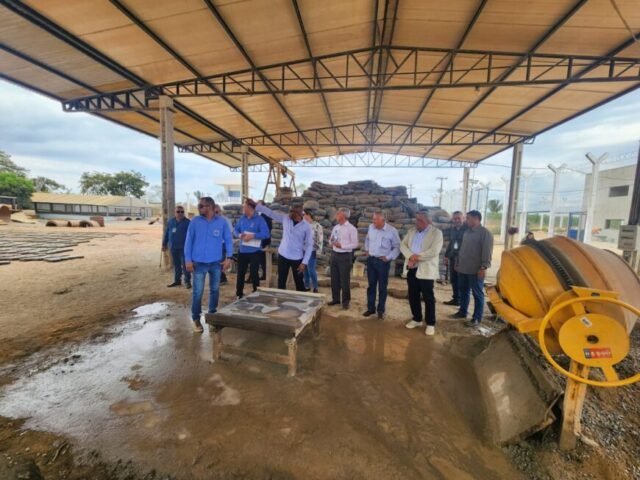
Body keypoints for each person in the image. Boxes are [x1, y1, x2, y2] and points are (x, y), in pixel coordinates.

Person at [185, 197, 233, 333]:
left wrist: (229, 257)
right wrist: (188, 260)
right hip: (199, 263)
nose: (199, 207)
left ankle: (212, 316)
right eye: (199, 205)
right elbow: (188, 241)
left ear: (211, 207)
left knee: (215, 290)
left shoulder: (221, 222)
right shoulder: (195, 222)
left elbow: (228, 240)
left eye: (202, 206)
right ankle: (196, 319)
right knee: (198, 292)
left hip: (216, 263)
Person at [255, 201, 313, 291]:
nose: (290, 215)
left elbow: (309, 245)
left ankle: (301, 298)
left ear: (299, 214)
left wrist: (304, 262)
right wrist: (257, 206)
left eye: (293, 213)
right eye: (290, 212)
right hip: (283, 255)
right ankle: (280, 299)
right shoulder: (286, 218)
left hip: (297, 258)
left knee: (299, 283)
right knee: (281, 282)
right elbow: (271, 213)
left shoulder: (307, 226)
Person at [402, 212, 443, 336]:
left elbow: (434, 251)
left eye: (420, 220)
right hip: (412, 268)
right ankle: (417, 319)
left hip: (426, 269)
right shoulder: (411, 231)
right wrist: (410, 256)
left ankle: (430, 323)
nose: (417, 222)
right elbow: (403, 245)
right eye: (417, 219)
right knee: (413, 295)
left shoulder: (436, 233)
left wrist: (417, 257)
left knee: (428, 297)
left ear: (428, 222)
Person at [452, 210, 493, 327]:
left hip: (475, 270)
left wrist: (483, 267)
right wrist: (457, 263)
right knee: (464, 291)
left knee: (477, 294)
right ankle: (462, 312)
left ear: (476, 218)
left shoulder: (485, 233)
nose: (466, 220)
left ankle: (476, 318)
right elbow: (462, 249)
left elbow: (487, 252)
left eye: (468, 218)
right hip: (463, 268)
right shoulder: (467, 232)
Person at [362, 211, 401, 320]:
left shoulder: (392, 231)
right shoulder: (371, 227)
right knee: (371, 286)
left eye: (376, 220)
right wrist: (367, 249)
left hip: (382, 262)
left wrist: (388, 257)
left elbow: (397, 247)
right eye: (373, 219)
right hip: (371, 260)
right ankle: (371, 308)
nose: (373, 221)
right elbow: (367, 239)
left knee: (382, 287)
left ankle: (380, 310)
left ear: (383, 220)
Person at [233, 199, 269, 298]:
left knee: (254, 273)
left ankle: (256, 292)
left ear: (250, 208)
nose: (242, 208)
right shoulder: (242, 219)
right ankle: (239, 293)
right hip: (243, 250)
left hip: (255, 251)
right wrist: (239, 235)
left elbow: (266, 234)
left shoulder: (260, 220)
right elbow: (235, 230)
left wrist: (253, 236)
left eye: (244, 206)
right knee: (241, 273)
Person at [328, 208, 359, 309]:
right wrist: (331, 242)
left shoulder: (351, 229)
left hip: (345, 256)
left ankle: (345, 302)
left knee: (344, 280)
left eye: (339, 213)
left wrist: (342, 246)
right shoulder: (336, 227)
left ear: (344, 216)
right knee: (334, 278)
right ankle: (336, 299)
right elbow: (331, 239)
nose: (336, 214)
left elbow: (355, 244)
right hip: (334, 254)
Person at [162, 205, 191, 289]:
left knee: (185, 265)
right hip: (173, 247)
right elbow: (167, 233)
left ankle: (187, 281)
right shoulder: (171, 222)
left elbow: (192, 235)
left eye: (182, 212)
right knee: (176, 265)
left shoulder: (188, 222)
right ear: (175, 212)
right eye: (178, 211)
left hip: (184, 248)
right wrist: (164, 244)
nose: (180, 213)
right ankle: (177, 281)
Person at [443, 211, 466, 306]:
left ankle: (461, 300)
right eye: (455, 218)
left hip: (462, 259)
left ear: (463, 219)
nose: (456, 220)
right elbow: (451, 243)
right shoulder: (453, 230)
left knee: (461, 280)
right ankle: (456, 298)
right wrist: (446, 255)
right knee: (454, 279)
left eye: (458, 218)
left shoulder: (467, 230)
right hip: (453, 257)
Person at [303, 209, 323, 293]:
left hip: (312, 250)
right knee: (305, 269)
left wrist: (318, 251)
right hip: (303, 250)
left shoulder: (317, 226)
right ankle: (306, 286)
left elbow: (320, 239)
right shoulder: (302, 225)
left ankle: (315, 287)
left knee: (311, 269)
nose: (303, 216)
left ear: (308, 215)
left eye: (304, 215)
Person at [214, 205, 233, 285]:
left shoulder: (225, 220)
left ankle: (222, 278)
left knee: (220, 261)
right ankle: (221, 277)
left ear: (220, 211)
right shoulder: (212, 221)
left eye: (217, 212)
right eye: (214, 212)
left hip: (223, 243)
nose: (216, 213)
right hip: (216, 244)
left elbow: (230, 232)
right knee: (217, 261)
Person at [257, 200, 273, 281]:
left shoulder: (266, 216)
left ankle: (265, 275)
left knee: (262, 258)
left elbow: (268, 228)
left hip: (264, 240)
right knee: (260, 258)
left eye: (259, 205)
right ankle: (262, 274)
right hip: (259, 239)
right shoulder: (259, 215)